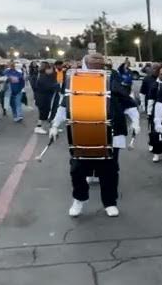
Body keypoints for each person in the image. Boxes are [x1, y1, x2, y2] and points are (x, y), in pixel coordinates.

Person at [51, 53, 139, 218]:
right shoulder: (75, 81)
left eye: (99, 63)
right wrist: (55, 125)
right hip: (82, 133)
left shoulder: (110, 80)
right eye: (93, 63)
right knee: (77, 170)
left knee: (110, 171)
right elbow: (64, 106)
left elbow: (129, 103)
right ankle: (79, 199)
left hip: (112, 132)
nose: (97, 66)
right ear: (85, 64)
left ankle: (110, 202)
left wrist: (136, 122)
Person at [140, 63, 162, 158]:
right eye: (153, 68)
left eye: (157, 69)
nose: (155, 70)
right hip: (152, 107)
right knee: (152, 129)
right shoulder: (147, 79)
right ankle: (153, 145)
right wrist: (143, 105)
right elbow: (142, 93)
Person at [32, 62, 60, 134]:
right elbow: (48, 86)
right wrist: (57, 85)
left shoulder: (47, 76)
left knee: (47, 113)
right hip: (42, 98)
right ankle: (38, 127)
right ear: (46, 69)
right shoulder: (42, 77)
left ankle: (50, 127)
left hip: (45, 97)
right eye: (51, 69)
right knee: (43, 113)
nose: (52, 71)